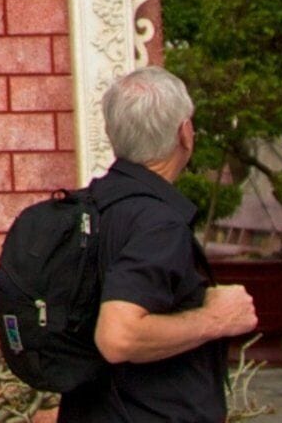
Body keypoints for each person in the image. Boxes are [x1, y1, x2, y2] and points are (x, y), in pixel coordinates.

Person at [67, 67, 264, 423]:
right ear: (185, 133)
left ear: (113, 134)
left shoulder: (90, 206)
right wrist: (215, 319)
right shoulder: (157, 224)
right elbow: (118, 335)